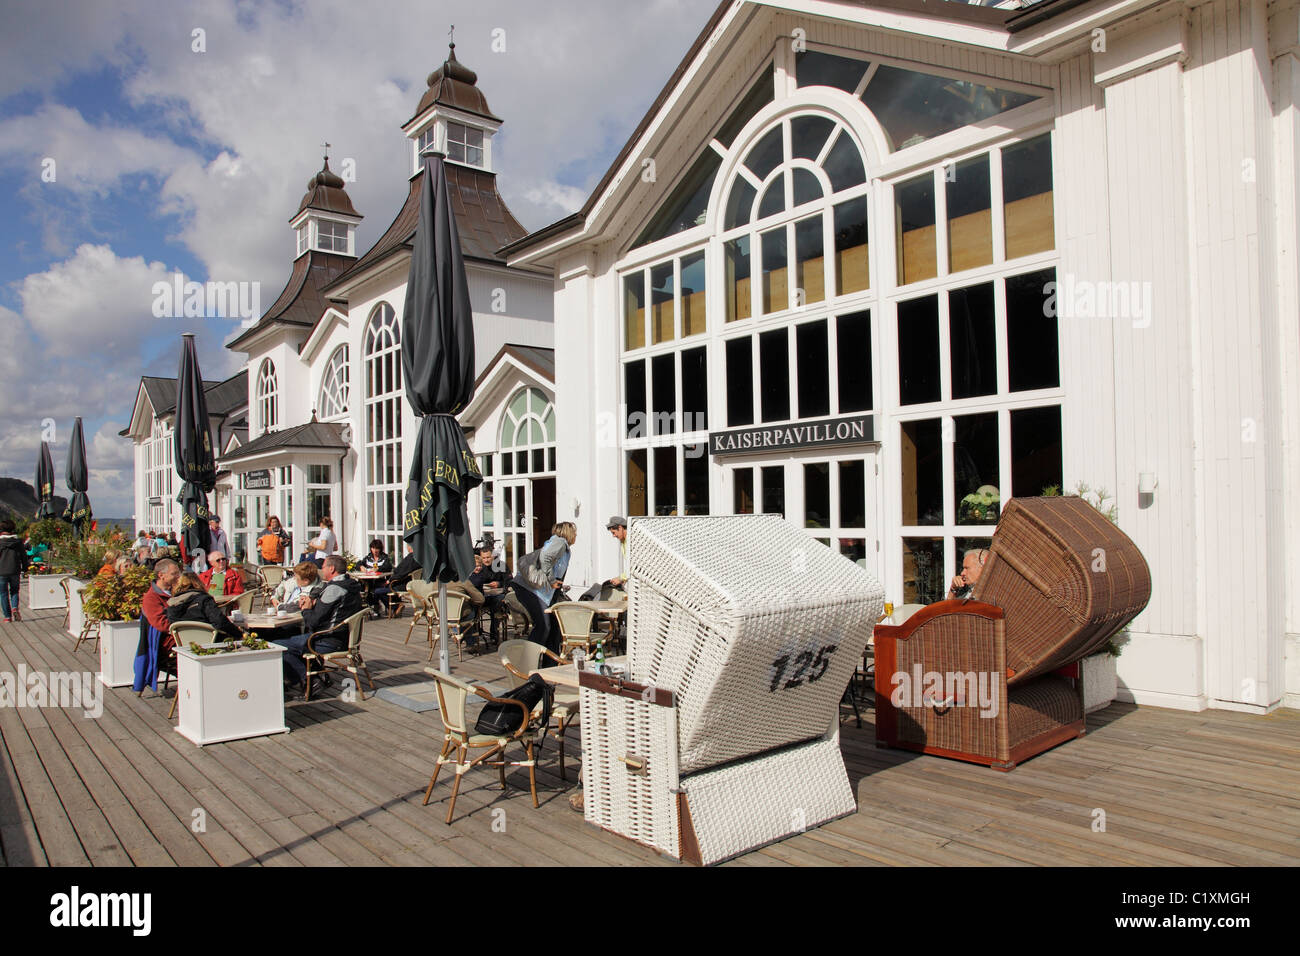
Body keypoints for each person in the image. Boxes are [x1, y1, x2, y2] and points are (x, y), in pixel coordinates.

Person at [272, 555, 363, 696]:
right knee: (292, 641)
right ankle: (314, 677)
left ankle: (311, 681)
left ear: (332, 569)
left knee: (278, 646)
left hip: (329, 639)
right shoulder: (351, 585)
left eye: (324, 566)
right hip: (345, 638)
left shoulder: (334, 589)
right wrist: (315, 604)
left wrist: (306, 609)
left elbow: (313, 621)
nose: (322, 569)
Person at [510, 521, 576, 655]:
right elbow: (545, 558)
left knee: (554, 627)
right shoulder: (560, 542)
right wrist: (551, 580)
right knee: (543, 626)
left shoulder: (561, 546)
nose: (576, 535)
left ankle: (550, 665)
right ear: (568, 533)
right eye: (574, 532)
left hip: (543, 593)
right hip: (531, 590)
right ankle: (528, 660)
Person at [166, 572, 243, 642]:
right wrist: (239, 634)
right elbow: (220, 622)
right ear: (198, 583)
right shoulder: (204, 600)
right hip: (210, 643)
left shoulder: (172, 604)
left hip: (184, 646)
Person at [469, 544, 510, 645]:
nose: (486, 560)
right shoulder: (478, 567)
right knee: (472, 604)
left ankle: (494, 633)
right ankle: (474, 635)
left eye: (488, 557)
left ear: (493, 556)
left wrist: (499, 583)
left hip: (496, 597)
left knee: (498, 602)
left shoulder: (501, 565)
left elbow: (510, 581)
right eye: (483, 558)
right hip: (481, 597)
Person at [141, 559, 182, 650]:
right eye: (174, 574)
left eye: (178, 573)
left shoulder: (178, 591)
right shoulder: (151, 598)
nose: (178, 576)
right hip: (169, 645)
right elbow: (162, 624)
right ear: (161, 575)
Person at [0, 518, 29, 623]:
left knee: (3, 594)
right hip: (15, 570)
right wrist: (26, 568)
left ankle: (7, 617)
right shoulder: (18, 542)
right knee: (14, 591)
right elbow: (24, 556)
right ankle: (14, 608)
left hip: (1, 571)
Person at [359, 540, 394, 615]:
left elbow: (388, 567)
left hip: (380, 580)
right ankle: (374, 605)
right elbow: (359, 563)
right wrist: (361, 566)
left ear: (380, 549)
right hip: (369, 580)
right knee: (364, 589)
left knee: (376, 590)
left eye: (377, 548)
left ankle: (376, 606)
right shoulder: (368, 557)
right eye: (373, 548)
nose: (375, 550)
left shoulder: (384, 557)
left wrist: (378, 568)